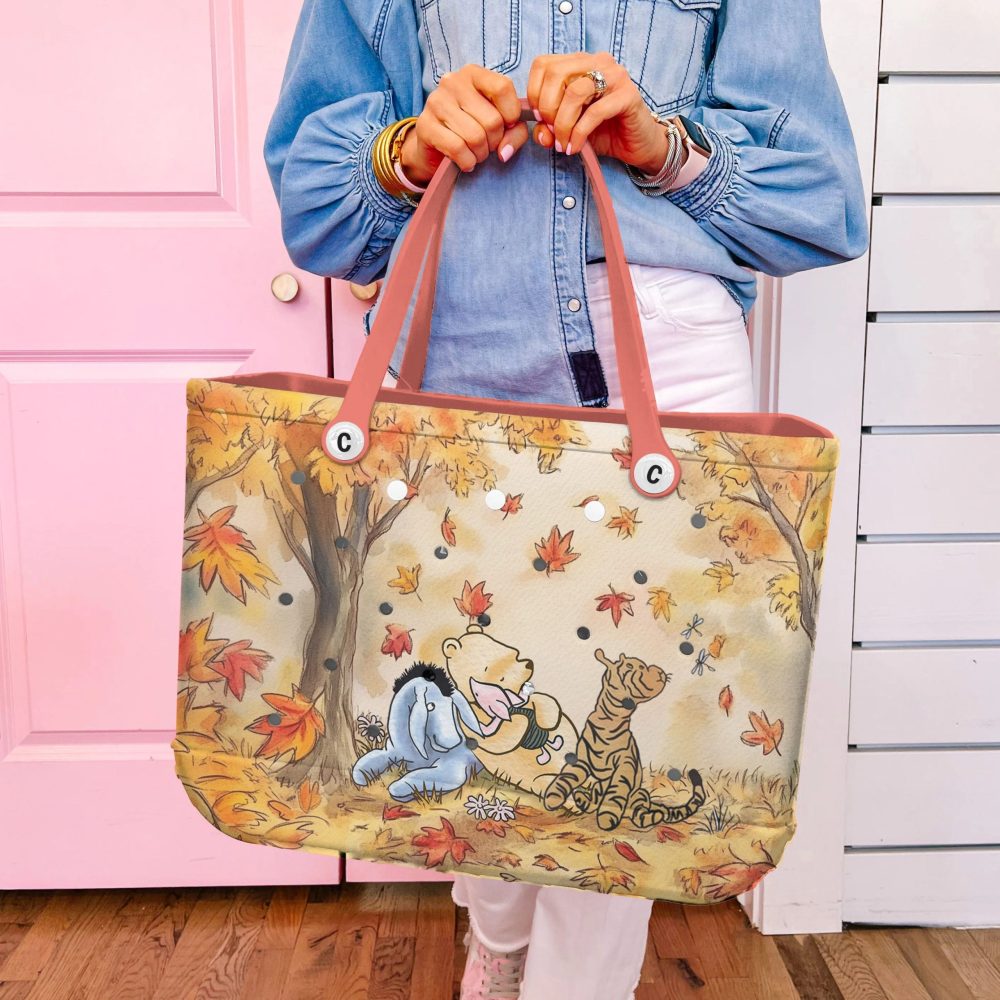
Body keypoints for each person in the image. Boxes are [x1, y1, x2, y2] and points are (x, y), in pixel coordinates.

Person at [264, 1, 868, 997]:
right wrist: (406, 152)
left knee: (614, 750)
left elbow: (819, 198)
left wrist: (665, 146)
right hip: (451, 343)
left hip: (660, 362)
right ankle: (497, 936)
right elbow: (315, 210)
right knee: (463, 696)